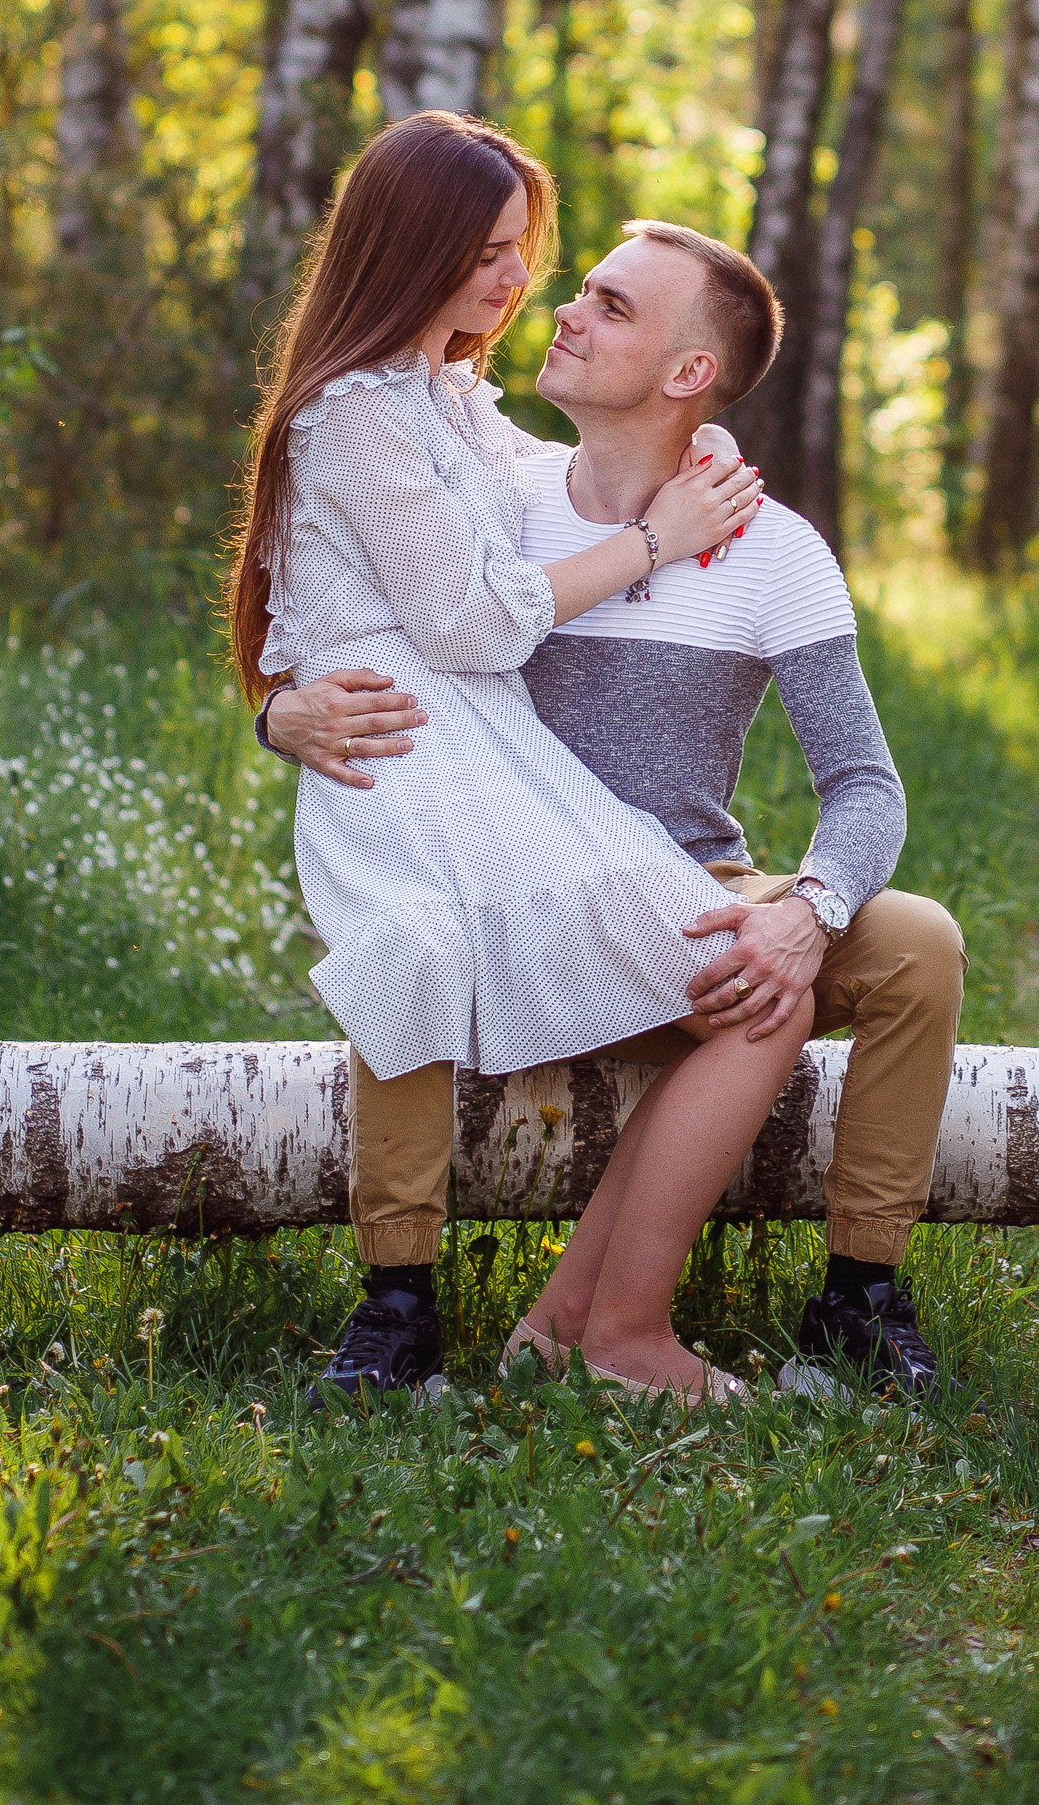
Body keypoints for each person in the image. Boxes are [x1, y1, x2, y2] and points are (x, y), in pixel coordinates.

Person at [263, 213, 966, 1406]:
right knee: (407, 929)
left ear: (690, 373)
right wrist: (282, 711)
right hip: (505, 898)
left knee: (919, 943)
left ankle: (859, 1301)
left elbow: (865, 783)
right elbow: (352, 599)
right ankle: (424, 1313)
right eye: (582, 288)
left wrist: (807, 907)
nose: (562, 309)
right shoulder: (495, 494)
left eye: (611, 304)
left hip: (687, 898)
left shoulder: (770, 548)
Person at [227, 110, 813, 1403]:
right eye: (487, 251)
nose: (516, 281)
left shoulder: (441, 396)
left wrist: (695, 441)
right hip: (408, 751)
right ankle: (433, 1318)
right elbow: (473, 623)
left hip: (485, 749)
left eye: (520, 249)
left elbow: (556, 477)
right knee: (445, 950)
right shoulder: (353, 410)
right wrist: (657, 541)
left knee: (739, 983)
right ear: (409, 247)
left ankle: (581, 1326)